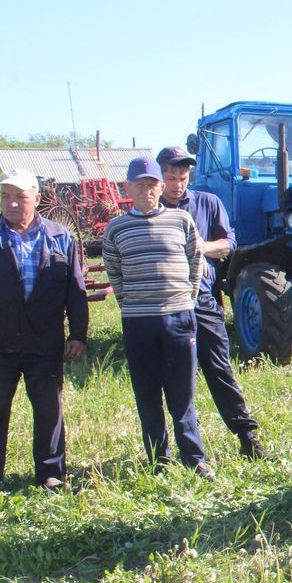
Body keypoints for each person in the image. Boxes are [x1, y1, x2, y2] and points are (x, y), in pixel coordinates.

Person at [0, 169, 89, 507]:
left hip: (45, 343)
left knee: (49, 409)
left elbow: (76, 290)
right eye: (5, 196)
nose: (11, 203)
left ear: (36, 199)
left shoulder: (60, 237)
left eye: (20, 196)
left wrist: (78, 335)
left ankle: (50, 472)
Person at [103, 156, 212, 479]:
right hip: (139, 321)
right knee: (147, 393)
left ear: (161, 187)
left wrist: (187, 298)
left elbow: (196, 261)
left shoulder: (181, 220)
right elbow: (114, 271)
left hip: (179, 318)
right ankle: (158, 461)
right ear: (128, 189)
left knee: (183, 394)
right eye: (140, 185)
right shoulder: (116, 228)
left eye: (152, 185)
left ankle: (194, 458)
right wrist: (132, 304)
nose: (147, 191)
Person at [157, 145, 267, 459]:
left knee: (219, 367)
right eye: (170, 177)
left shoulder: (207, 202)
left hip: (202, 299)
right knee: (177, 376)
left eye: (182, 176)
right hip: (166, 303)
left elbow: (228, 243)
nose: (177, 183)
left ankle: (248, 437)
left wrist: (199, 246)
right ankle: (181, 450)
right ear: (159, 176)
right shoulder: (153, 211)